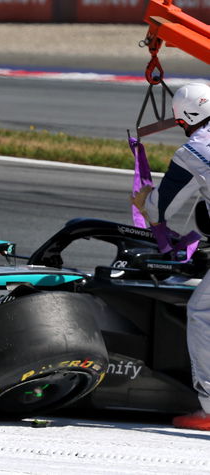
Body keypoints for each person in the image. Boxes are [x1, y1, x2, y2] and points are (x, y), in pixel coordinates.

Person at [131, 82, 210, 431]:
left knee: (202, 312)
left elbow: (161, 208)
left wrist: (144, 201)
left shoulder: (194, 151)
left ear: (185, 118)